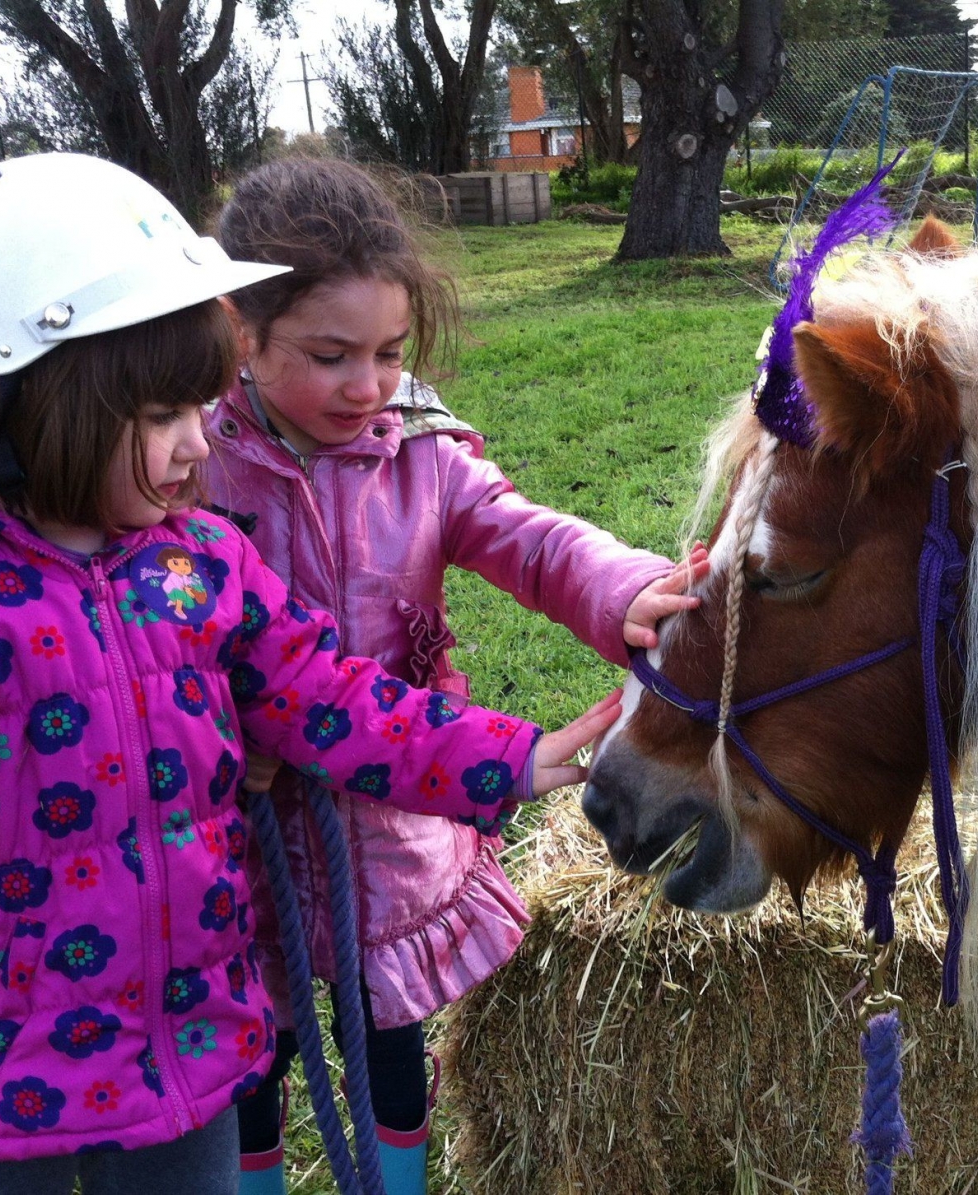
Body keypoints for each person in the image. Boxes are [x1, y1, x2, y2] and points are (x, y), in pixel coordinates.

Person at [0, 152, 619, 1193]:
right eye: (161, 418)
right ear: (16, 403)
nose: (197, 446)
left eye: (200, 407)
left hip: (183, 1060)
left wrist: (510, 756)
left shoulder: (199, 564)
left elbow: (335, 699)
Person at [203, 157, 705, 1195]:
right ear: (239, 332)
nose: (367, 384)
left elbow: (529, 538)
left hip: (394, 815)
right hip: (236, 832)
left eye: (389, 352)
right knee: (249, 1057)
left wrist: (625, 592)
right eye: (329, 354)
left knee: (391, 1039)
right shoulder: (189, 458)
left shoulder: (421, 454)